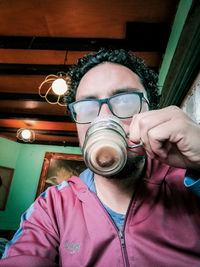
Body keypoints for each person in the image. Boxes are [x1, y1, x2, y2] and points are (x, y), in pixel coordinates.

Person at [1, 48, 200, 267]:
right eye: (86, 107)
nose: (104, 117)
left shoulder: (190, 182)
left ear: (150, 109)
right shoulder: (53, 205)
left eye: (125, 101)